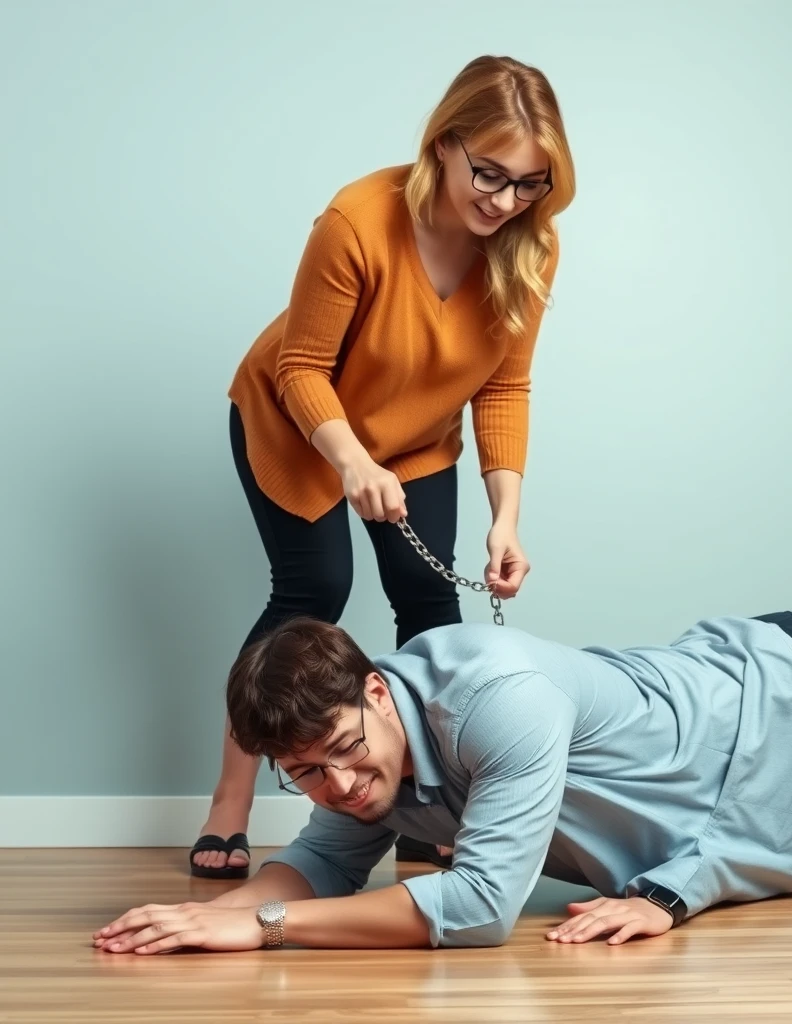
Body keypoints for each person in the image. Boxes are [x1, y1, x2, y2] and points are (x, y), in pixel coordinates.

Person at [189, 55, 576, 878]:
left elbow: (505, 386)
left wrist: (506, 516)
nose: (505, 201)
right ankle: (230, 800)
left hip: (415, 435)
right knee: (311, 592)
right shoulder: (358, 220)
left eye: (530, 183)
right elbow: (299, 368)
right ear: (446, 143)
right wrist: (352, 461)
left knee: (429, 604)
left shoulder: (529, 249)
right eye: (490, 174)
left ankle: (425, 808)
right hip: (301, 421)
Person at [99, 611, 792, 954]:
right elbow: (320, 865)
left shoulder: (495, 696)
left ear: (376, 689)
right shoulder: (365, 772)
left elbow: (481, 910)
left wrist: (262, 927)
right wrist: (211, 921)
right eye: (305, 774)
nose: (338, 783)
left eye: (343, 747)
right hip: (784, 838)